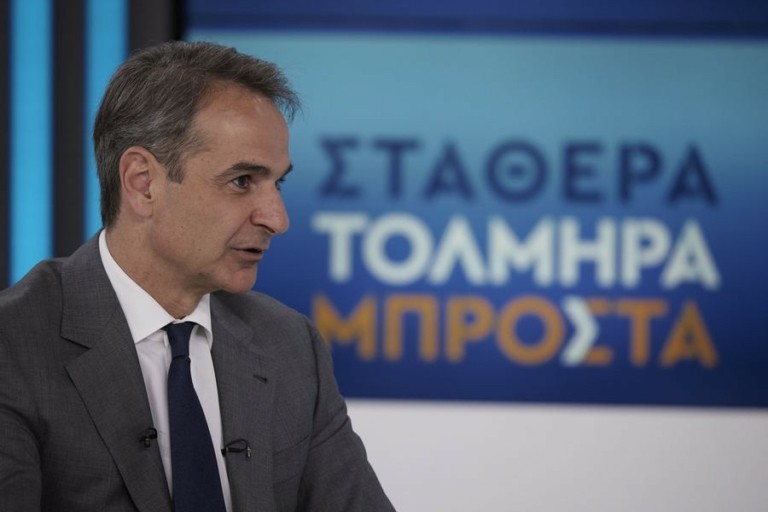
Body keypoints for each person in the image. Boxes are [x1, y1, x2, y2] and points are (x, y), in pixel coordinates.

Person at [0, 41, 394, 512]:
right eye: (242, 181)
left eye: (278, 183)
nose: (277, 218)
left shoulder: (289, 345)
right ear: (143, 182)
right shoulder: (13, 347)